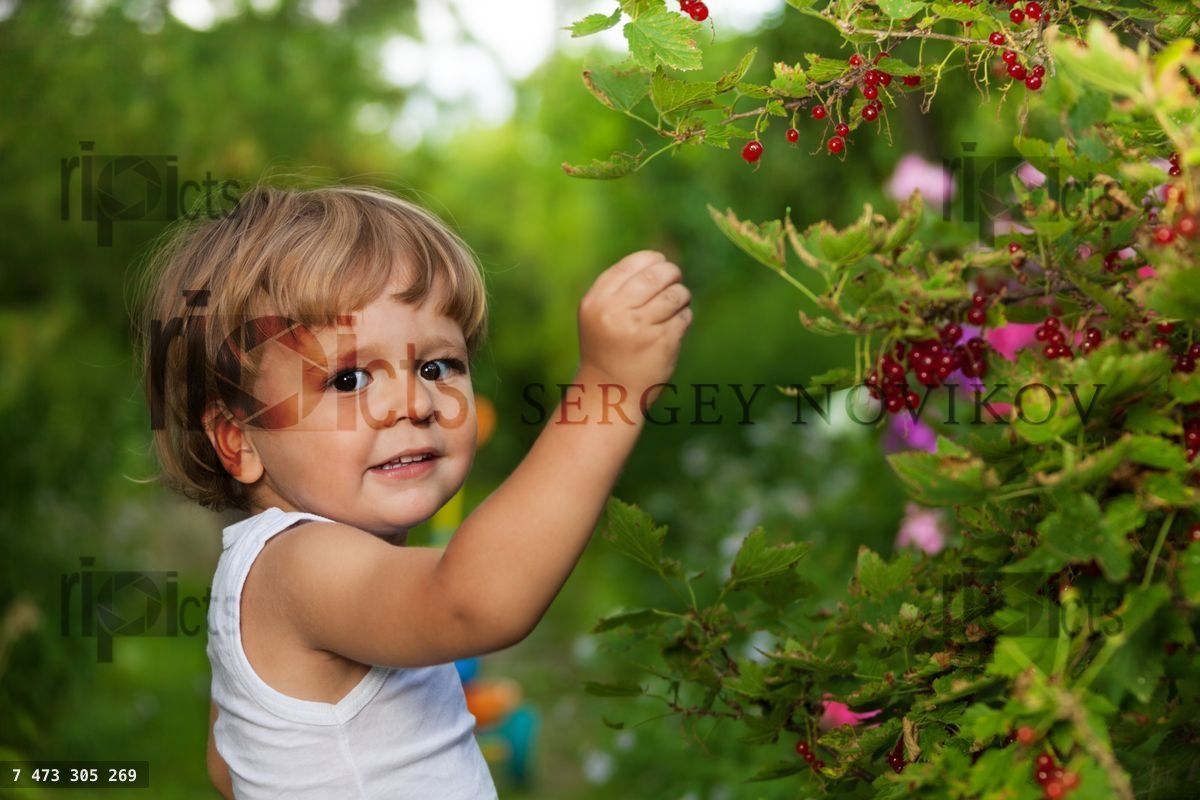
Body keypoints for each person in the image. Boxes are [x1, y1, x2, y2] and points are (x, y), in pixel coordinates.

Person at [134, 183, 693, 799]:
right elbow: (477, 599)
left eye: (437, 366)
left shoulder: (251, 577)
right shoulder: (299, 565)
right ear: (238, 440)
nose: (413, 402)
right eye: (348, 379)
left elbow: (227, 762)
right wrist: (607, 391)